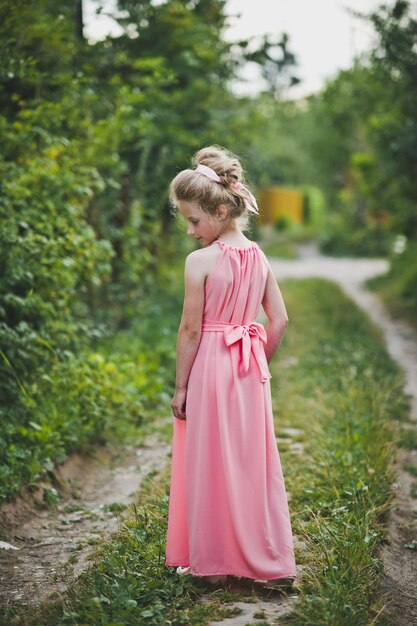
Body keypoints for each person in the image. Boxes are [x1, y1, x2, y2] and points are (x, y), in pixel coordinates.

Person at [165, 145, 296, 587]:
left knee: (208, 463)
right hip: (249, 370)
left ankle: (214, 564)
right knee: (251, 464)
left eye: (194, 220)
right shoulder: (258, 256)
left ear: (221, 210)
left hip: (209, 371)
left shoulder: (200, 262)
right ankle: (266, 559)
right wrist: (258, 361)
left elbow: (190, 331)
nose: (190, 230)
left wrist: (181, 388)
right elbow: (278, 319)